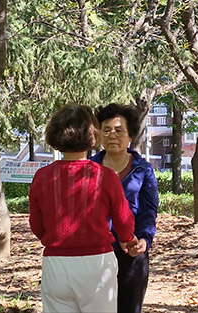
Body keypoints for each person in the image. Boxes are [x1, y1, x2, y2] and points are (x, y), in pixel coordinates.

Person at [29, 104, 139, 313]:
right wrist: (128, 238)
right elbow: (123, 220)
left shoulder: (42, 177)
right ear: (92, 134)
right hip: (96, 263)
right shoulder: (105, 176)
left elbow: (37, 225)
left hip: (56, 262)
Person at [90, 103, 159, 313]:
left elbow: (149, 211)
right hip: (94, 254)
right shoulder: (88, 169)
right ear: (98, 134)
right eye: (107, 130)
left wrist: (145, 240)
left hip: (131, 253)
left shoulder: (143, 170)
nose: (112, 135)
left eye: (119, 131)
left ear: (130, 136)